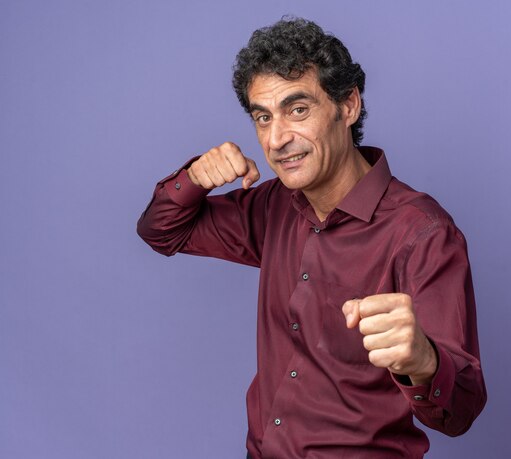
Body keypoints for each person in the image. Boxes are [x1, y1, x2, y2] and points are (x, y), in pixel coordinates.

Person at [137, 17, 486, 458]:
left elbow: (463, 410)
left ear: (348, 106)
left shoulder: (423, 233)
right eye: (263, 117)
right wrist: (194, 178)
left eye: (297, 109)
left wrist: (424, 361)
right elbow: (160, 231)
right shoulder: (273, 205)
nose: (277, 139)